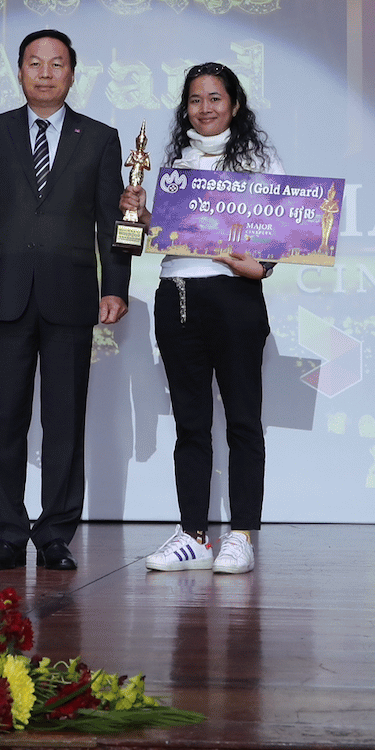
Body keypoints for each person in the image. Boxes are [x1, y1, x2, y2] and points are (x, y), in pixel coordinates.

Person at [0, 29, 131, 573]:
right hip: (4, 294)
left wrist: (115, 286)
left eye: (57, 64)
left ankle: (56, 534)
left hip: (71, 296)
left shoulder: (99, 138)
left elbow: (112, 223)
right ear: (20, 72)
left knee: (64, 422)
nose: (46, 73)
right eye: (35, 63)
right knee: (4, 420)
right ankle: (6, 535)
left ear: (73, 74)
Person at [128, 62, 279, 577]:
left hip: (235, 298)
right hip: (177, 298)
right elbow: (173, 237)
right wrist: (142, 216)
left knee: (243, 422)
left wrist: (262, 267)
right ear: (185, 107)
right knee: (190, 424)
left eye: (215, 98)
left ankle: (241, 535)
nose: (205, 108)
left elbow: (281, 231)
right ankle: (193, 535)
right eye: (195, 99)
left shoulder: (259, 161)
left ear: (234, 105)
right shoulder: (176, 164)